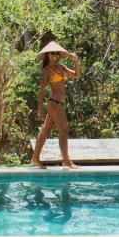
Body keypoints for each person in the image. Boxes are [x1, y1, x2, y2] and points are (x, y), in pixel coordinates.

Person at [32, 41, 81, 169]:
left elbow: (77, 75)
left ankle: (35, 158)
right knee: (64, 130)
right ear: (47, 55)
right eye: (52, 53)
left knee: (46, 130)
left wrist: (75, 61)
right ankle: (66, 160)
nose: (54, 55)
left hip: (57, 104)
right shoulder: (46, 71)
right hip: (54, 103)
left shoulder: (61, 67)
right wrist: (40, 110)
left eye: (56, 53)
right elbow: (41, 91)